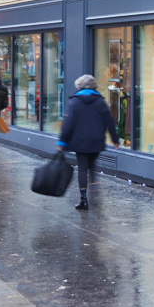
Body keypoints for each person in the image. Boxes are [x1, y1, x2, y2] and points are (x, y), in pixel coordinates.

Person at [57, 75, 119, 210]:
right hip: (96, 141)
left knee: (82, 168)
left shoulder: (74, 102)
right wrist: (115, 139)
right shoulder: (100, 101)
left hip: (80, 142)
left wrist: (62, 142)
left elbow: (67, 124)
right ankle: (94, 191)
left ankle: (83, 198)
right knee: (92, 166)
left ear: (79, 86)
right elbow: (109, 121)